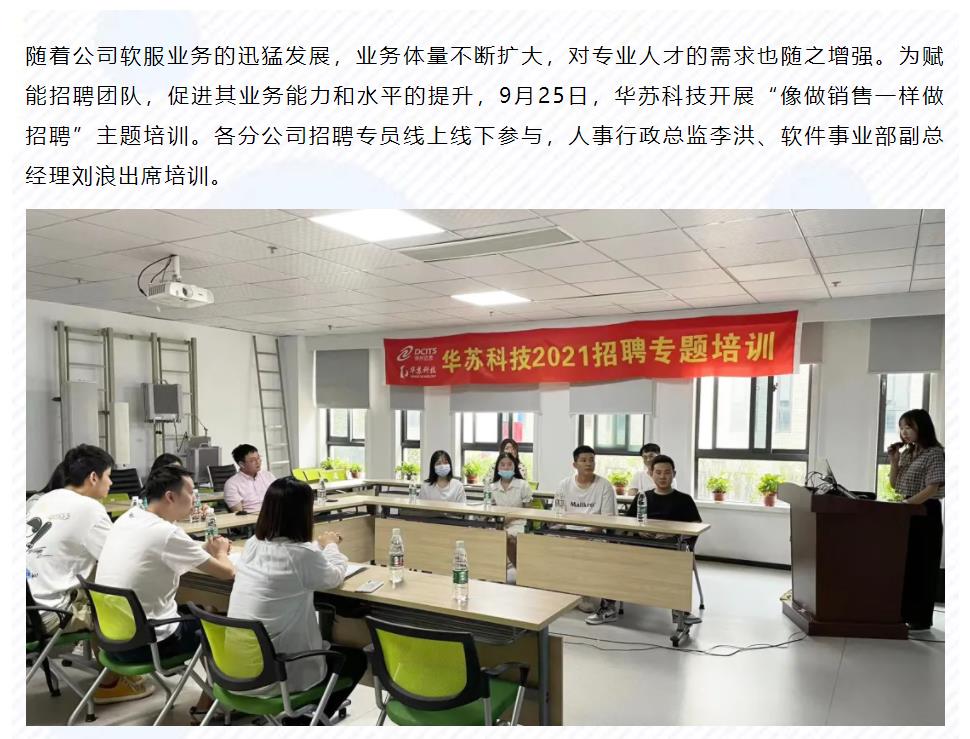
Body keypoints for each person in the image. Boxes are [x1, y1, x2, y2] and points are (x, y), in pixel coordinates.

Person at [228, 478, 367, 719]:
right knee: (355, 659)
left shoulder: (252, 545)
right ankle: (304, 723)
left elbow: (296, 557)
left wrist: (317, 548)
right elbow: (334, 576)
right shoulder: (301, 555)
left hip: (233, 670)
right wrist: (331, 545)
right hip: (277, 674)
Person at [26, 445, 154, 704]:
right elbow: (120, 558)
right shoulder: (89, 508)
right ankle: (113, 682)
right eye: (108, 476)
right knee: (111, 600)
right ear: (93, 477)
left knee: (94, 585)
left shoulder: (44, 500)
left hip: (24, 609)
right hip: (49, 615)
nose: (111, 482)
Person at [96, 466, 235, 666]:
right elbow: (227, 573)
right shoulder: (166, 532)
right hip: (148, 645)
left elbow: (171, 549)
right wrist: (221, 551)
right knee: (218, 625)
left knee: (202, 609)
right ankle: (215, 687)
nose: (195, 500)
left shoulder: (129, 518)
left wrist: (206, 548)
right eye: (190, 493)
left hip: (112, 639)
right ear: (170, 497)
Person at [621, 454, 703, 626]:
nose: (662, 476)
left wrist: (673, 534)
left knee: (680, 560)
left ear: (674, 474)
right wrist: (640, 530)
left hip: (672, 547)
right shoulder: (643, 497)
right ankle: (607, 606)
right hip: (642, 546)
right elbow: (628, 523)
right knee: (613, 554)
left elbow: (695, 527)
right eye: (658, 472)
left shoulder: (684, 499)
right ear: (651, 474)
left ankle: (680, 611)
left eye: (667, 472)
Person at [888, 408, 945, 631]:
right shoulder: (908, 453)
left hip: (925, 512)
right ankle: (903, 613)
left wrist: (907, 505)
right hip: (909, 511)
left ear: (922, 427)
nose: (904, 432)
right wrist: (894, 461)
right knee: (907, 564)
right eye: (901, 428)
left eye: (909, 427)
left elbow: (933, 488)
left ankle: (920, 619)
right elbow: (895, 485)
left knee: (922, 565)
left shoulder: (935, 453)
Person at [554, 446, 618, 623]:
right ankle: (557, 591)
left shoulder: (604, 486)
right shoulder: (564, 485)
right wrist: (567, 532)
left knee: (585, 549)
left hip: (594, 535)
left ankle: (583, 594)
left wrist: (585, 534)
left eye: (591, 460)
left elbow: (606, 519)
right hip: (567, 532)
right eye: (583, 460)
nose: (588, 463)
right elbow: (557, 515)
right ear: (575, 464)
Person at [483, 452, 533, 571]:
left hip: (518, 523)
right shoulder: (492, 487)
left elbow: (529, 510)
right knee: (484, 536)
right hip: (498, 523)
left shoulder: (523, 485)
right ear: (497, 467)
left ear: (514, 467)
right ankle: (490, 571)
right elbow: (489, 510)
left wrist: (508, 519)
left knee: (509, 538)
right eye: (502, 464)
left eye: (509, 464)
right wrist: (496, 520)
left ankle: (520, 570)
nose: (506, 468)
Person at [224, 443, 275, 513]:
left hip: (274, 516)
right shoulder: (232, 484)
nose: (258, 462)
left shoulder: (268, 476)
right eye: (253, 460)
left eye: (258, 458)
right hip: (252, 518)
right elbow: (239, 514)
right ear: (242, 464)